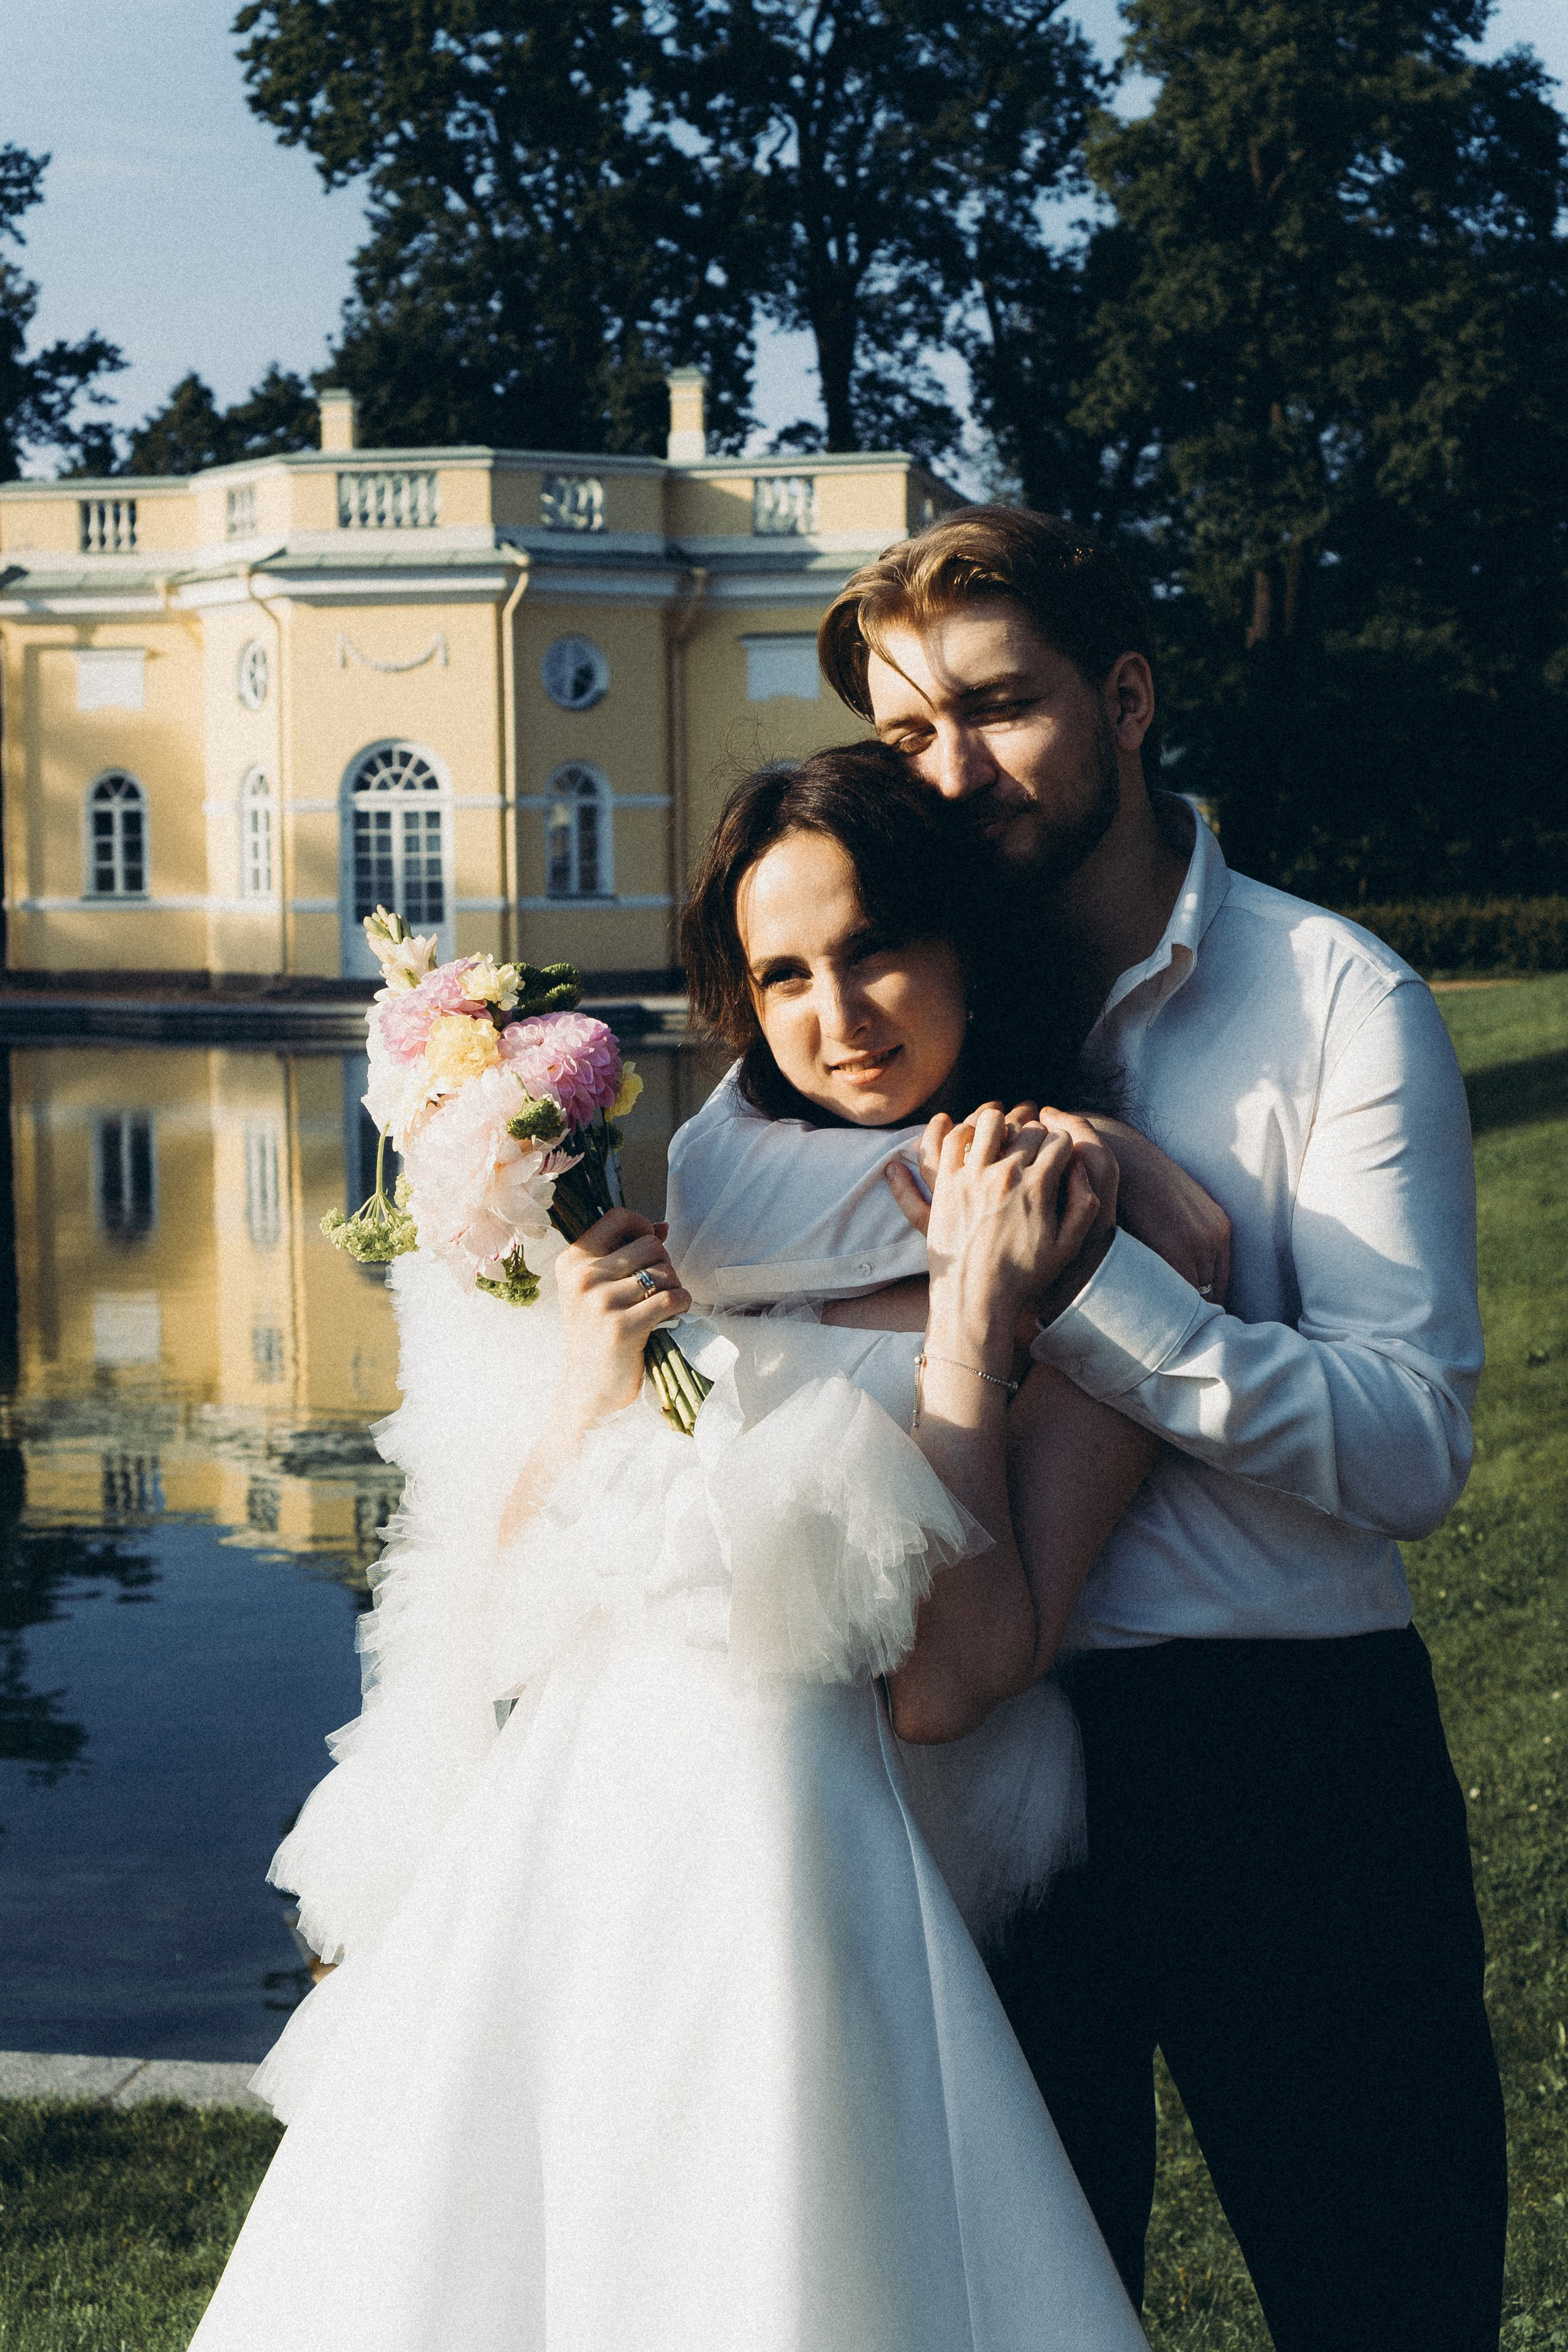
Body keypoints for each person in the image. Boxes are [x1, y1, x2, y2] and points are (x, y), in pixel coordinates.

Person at [187, 752, 1156, 2352]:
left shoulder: (1071, 1255)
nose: (836, 1009)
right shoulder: (698, 1222)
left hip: (797, 1884)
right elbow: (512, 1621)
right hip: (569, 1859)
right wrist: (586, 1390)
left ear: (968, 950)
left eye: (875, 947)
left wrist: (971, 1335)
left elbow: (953, 1683)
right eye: (784, 972)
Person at [682, 505, 1506, 2352]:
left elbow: (1411, 1450)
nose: (952, 772)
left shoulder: (1332, 998)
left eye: (1001, 709)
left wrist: (1095, 1289)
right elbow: (719, 1215)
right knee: (1010, 2316)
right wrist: (1086, 1178)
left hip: (1282, 1754)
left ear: (1126, 698)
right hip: (984, 1778)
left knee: (1388, 2301)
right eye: (908, 736)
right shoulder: (899, 982)